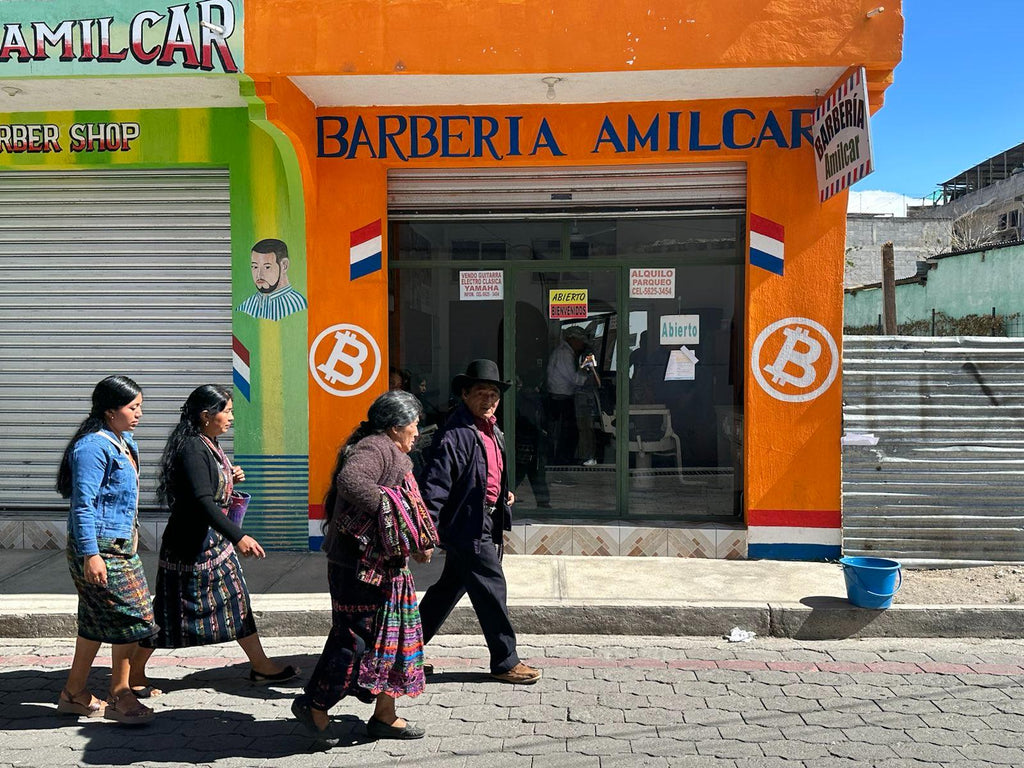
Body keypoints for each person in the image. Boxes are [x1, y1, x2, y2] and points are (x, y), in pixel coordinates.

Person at [133, 385, 297, 689]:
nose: (232, 417)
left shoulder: (209, 443)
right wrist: (239, 536)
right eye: (228, 411)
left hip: (214, 546)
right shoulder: (193, 448)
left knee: (238, 603)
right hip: (191, 548)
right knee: (169, 613)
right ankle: (133, 672)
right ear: (207, 415)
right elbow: (202, 501)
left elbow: (205, 486)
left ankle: (261, 666)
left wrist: (228, 476)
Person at [293, 390, 433, 745]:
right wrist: (401, 523)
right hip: (357, 568)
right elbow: (352, 482)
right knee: (354, 641)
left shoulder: (393, 452)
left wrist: (411, 539)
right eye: (414, 425)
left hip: (386, 568)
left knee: (397, 640)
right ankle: (315, 705)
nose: (417, 432)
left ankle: (385, 715)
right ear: (395, 426)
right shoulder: (374, 448)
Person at [418, 359, 542, 685]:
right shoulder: (455, 435)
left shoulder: (491, 430)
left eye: (493, 394)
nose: (488, 400)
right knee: (492, 589)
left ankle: (404, 651)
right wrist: (426, 532)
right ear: (465, 394)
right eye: (481, 393)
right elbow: (435, 488)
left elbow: (488, 473)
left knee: (446, 591)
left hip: (484, 520)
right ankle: (505, 661)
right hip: (468, 527)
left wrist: (503, 495)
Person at [56, 375, 157, 725]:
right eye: (133, 407)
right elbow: (82, 505)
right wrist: (91, 554)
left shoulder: (124, 441)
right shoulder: (92, 447)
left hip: (121, 544)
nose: (139, 413)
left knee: (96, 620)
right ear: (111, 410)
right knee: (136, 615)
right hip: (99, 546)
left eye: (140, 406)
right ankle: (120, 694)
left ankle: (73, 693)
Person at [546, 326, 595, 465]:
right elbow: (573, 379)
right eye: (580, 341)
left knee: (567, 432)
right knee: (568, 433)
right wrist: (586, 374)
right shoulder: (564, 354)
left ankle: (565, 459)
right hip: (560, 398)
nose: (582, 344)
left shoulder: (566, 352)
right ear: (572, 339)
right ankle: (563, 461)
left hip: (562, 397)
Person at [236, 238, 308, 321]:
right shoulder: (246, 307)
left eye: (267, 267)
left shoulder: (299, 306)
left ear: (284, 266)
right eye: (255, 267)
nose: (259, 275)